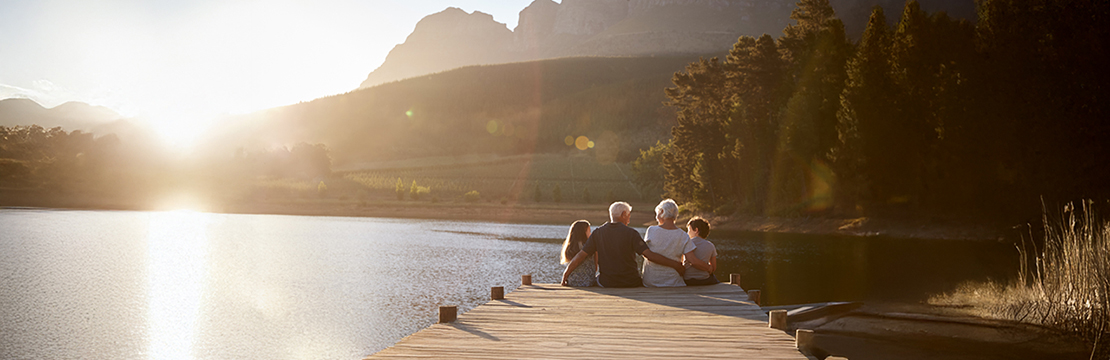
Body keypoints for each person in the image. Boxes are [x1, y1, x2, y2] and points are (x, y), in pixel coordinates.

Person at [561, 201, 685, 288]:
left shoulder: (598, 233)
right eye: (628, 216)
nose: (629, 220)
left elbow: (580, 256)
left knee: (598, 278)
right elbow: (649, 255)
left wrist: (566, 275)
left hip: (607, 283)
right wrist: (676, 265)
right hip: (631, 282)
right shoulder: (632, 233)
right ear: (623, 215)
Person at [641, 199, 705, 287]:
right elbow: (693, 260)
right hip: (674, 283)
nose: (656, 217)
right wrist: (709, 268)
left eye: (657, 213)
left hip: (651, 282)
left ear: (662, 212)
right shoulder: (683, 235)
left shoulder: (651, 230)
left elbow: (646, 254)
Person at [682, 216, 719, 286]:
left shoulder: (686, 244)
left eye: (689, 230)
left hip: (688, 280)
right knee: (713, 278)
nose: (687, 233)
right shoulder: (711, 245)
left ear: (696, 230)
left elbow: (681, 264)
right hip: (704, 280)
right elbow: (713, 268)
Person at [560, 220, 597, 287]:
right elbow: (595, 267)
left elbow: (573, 263)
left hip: (572, 281)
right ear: (583, 232)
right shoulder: (590, 247)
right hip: (588, 282)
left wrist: (565, 276)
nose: (591, 234)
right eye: (589, 231)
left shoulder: (570, 247)